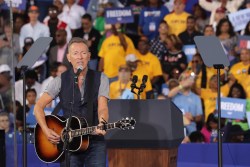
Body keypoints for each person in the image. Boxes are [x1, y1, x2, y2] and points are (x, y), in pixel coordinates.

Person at [34, 37, 109, 167]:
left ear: (89, 56)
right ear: (69, 57)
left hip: (95, 141)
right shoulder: (60, 80)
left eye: (83, 53)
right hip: (69, 142)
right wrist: (46, 130)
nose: (80, 57)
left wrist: (102, 122)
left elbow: (103, 107)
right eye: (75, 53)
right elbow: (38, 107)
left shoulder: (101, 78)